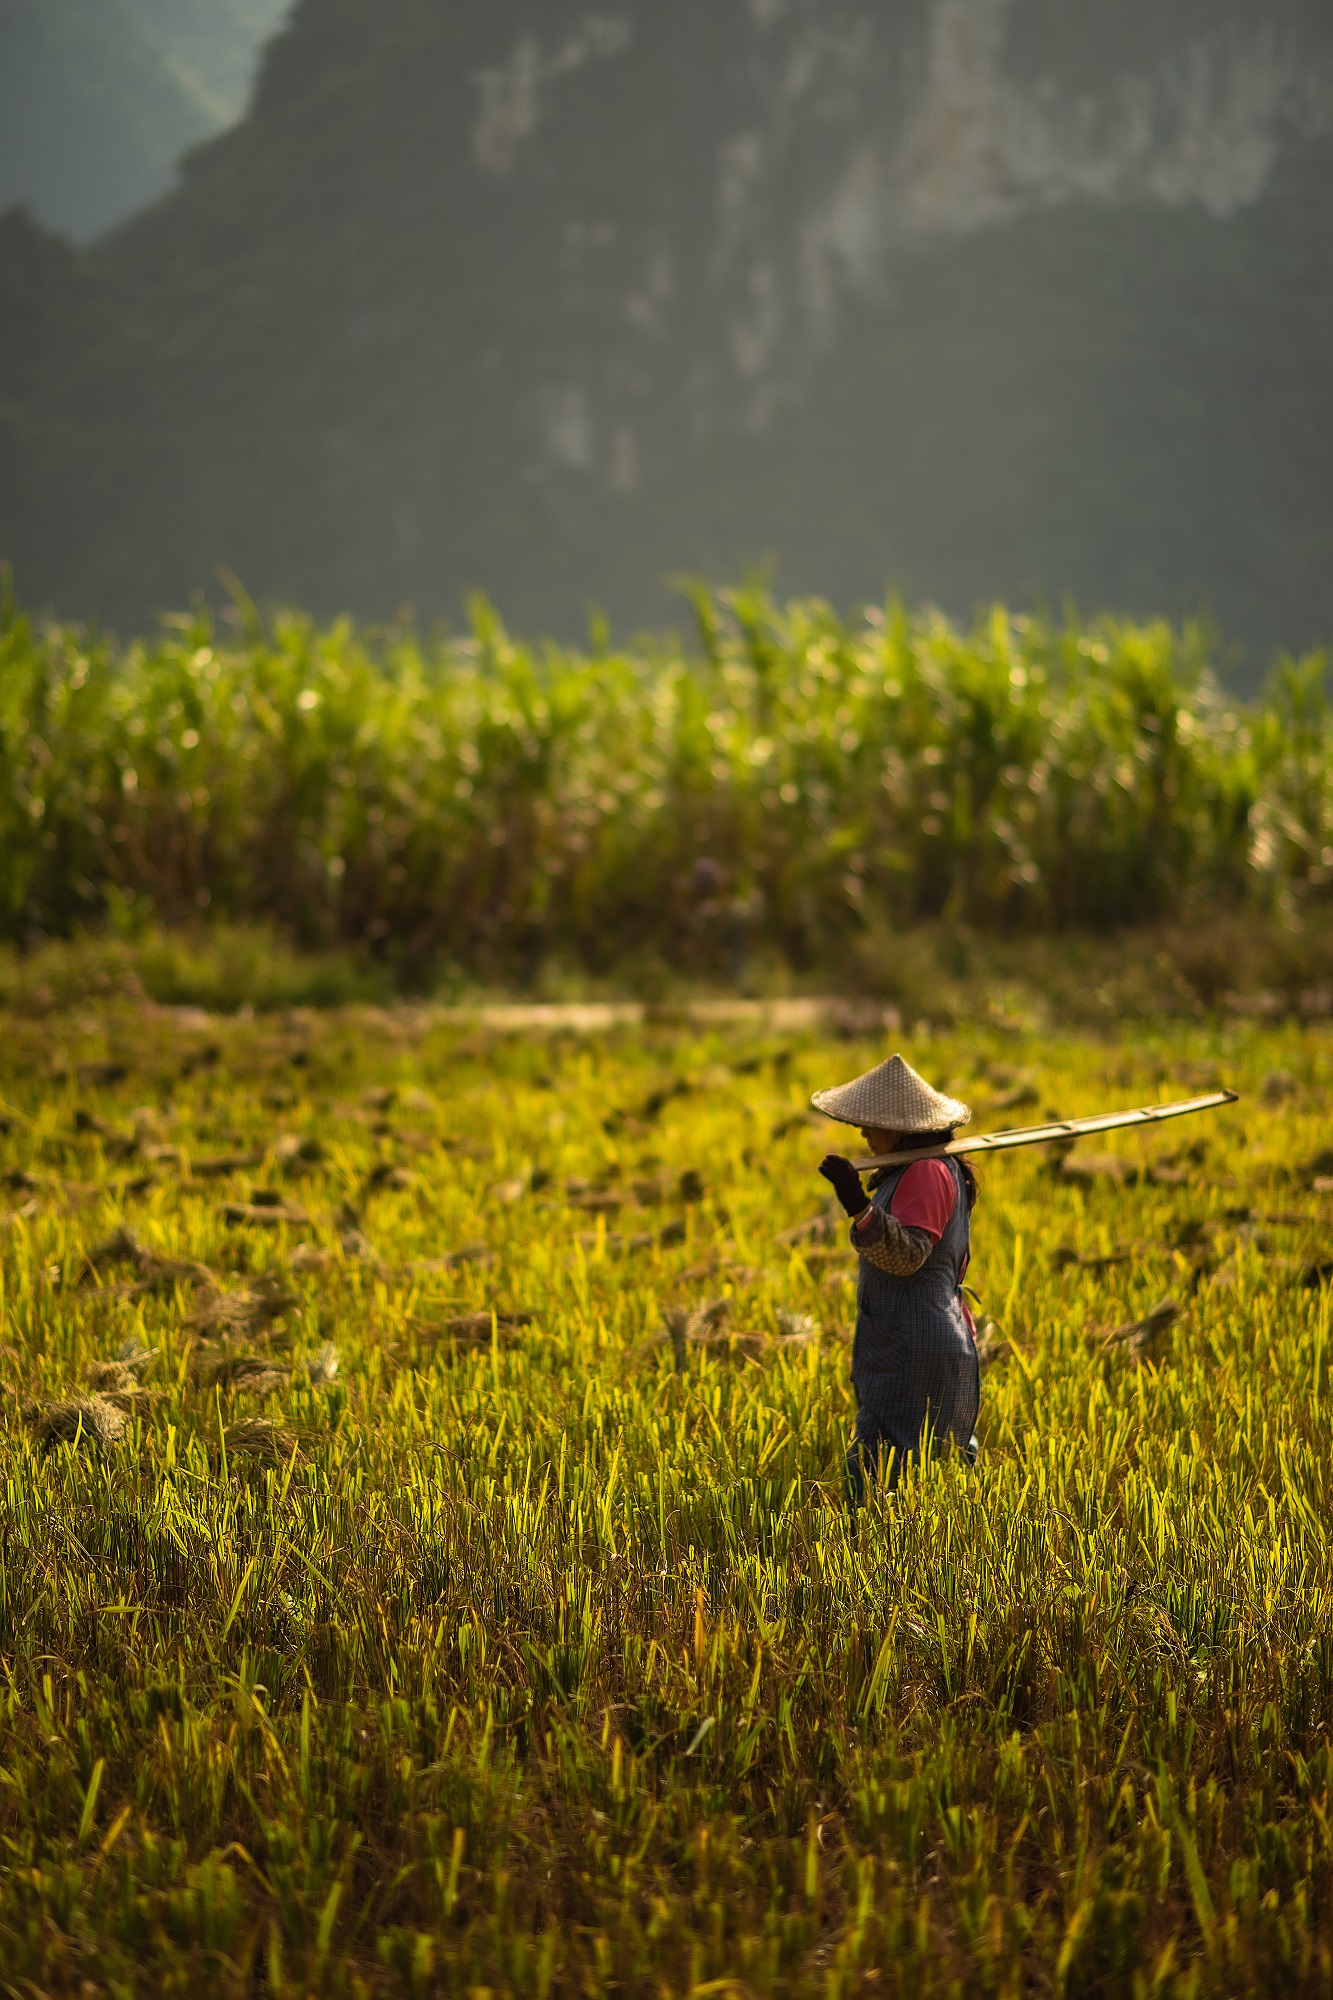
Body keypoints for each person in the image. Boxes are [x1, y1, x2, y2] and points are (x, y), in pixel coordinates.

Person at [813, 1053, 981, 1505]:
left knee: (887, 1464)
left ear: (899, 1128)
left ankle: (879, 1550)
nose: (863, 1134)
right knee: (917, 1460)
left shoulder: (927, 1171)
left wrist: (856, 1205)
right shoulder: (920, 1167)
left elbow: (908, 1256)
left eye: (870, 1125)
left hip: (917, 1345)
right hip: (905, 1339)